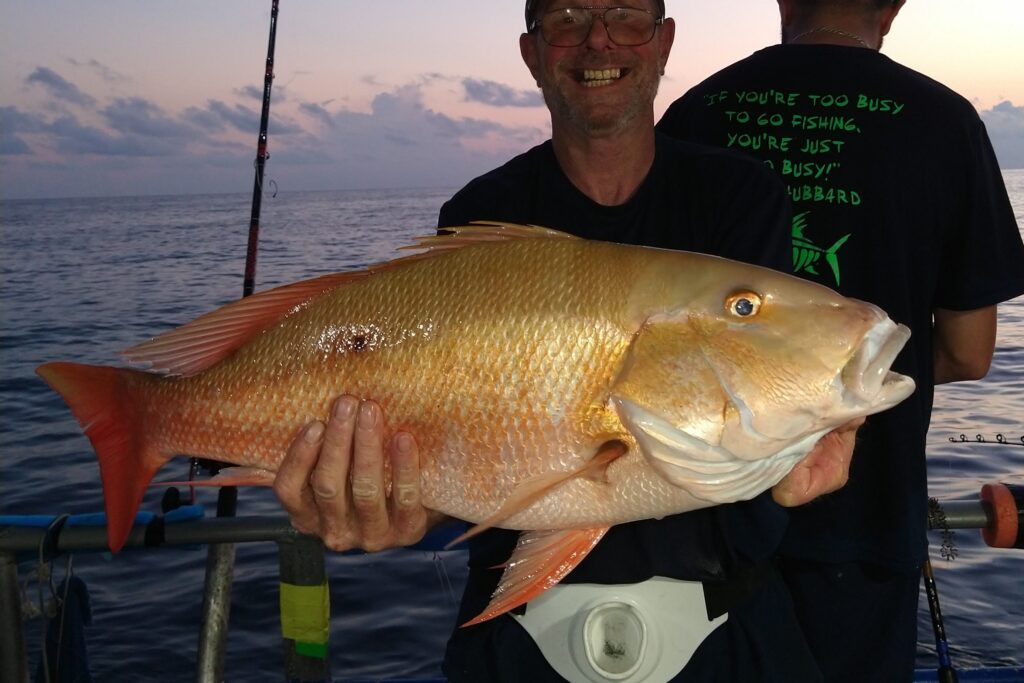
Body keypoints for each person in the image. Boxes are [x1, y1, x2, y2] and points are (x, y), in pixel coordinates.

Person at [274, 1, 864, 680]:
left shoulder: (741, 196)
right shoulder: (479, 213)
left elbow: (767, 373)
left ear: (664, 42)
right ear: (532, 53)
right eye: (567, 18)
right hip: (519, 634)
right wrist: (389, 498)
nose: (598, 40)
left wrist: (824, 422)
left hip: (726, 623)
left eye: (625, 15)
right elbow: (464, 451)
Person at [656, 1, 1024, 680]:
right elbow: (971, 353)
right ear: (892, 8)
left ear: (782, 3)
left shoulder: (696, 114)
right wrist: (829, 389)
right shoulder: (943, 122)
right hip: (868, 523)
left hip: (700, 524)